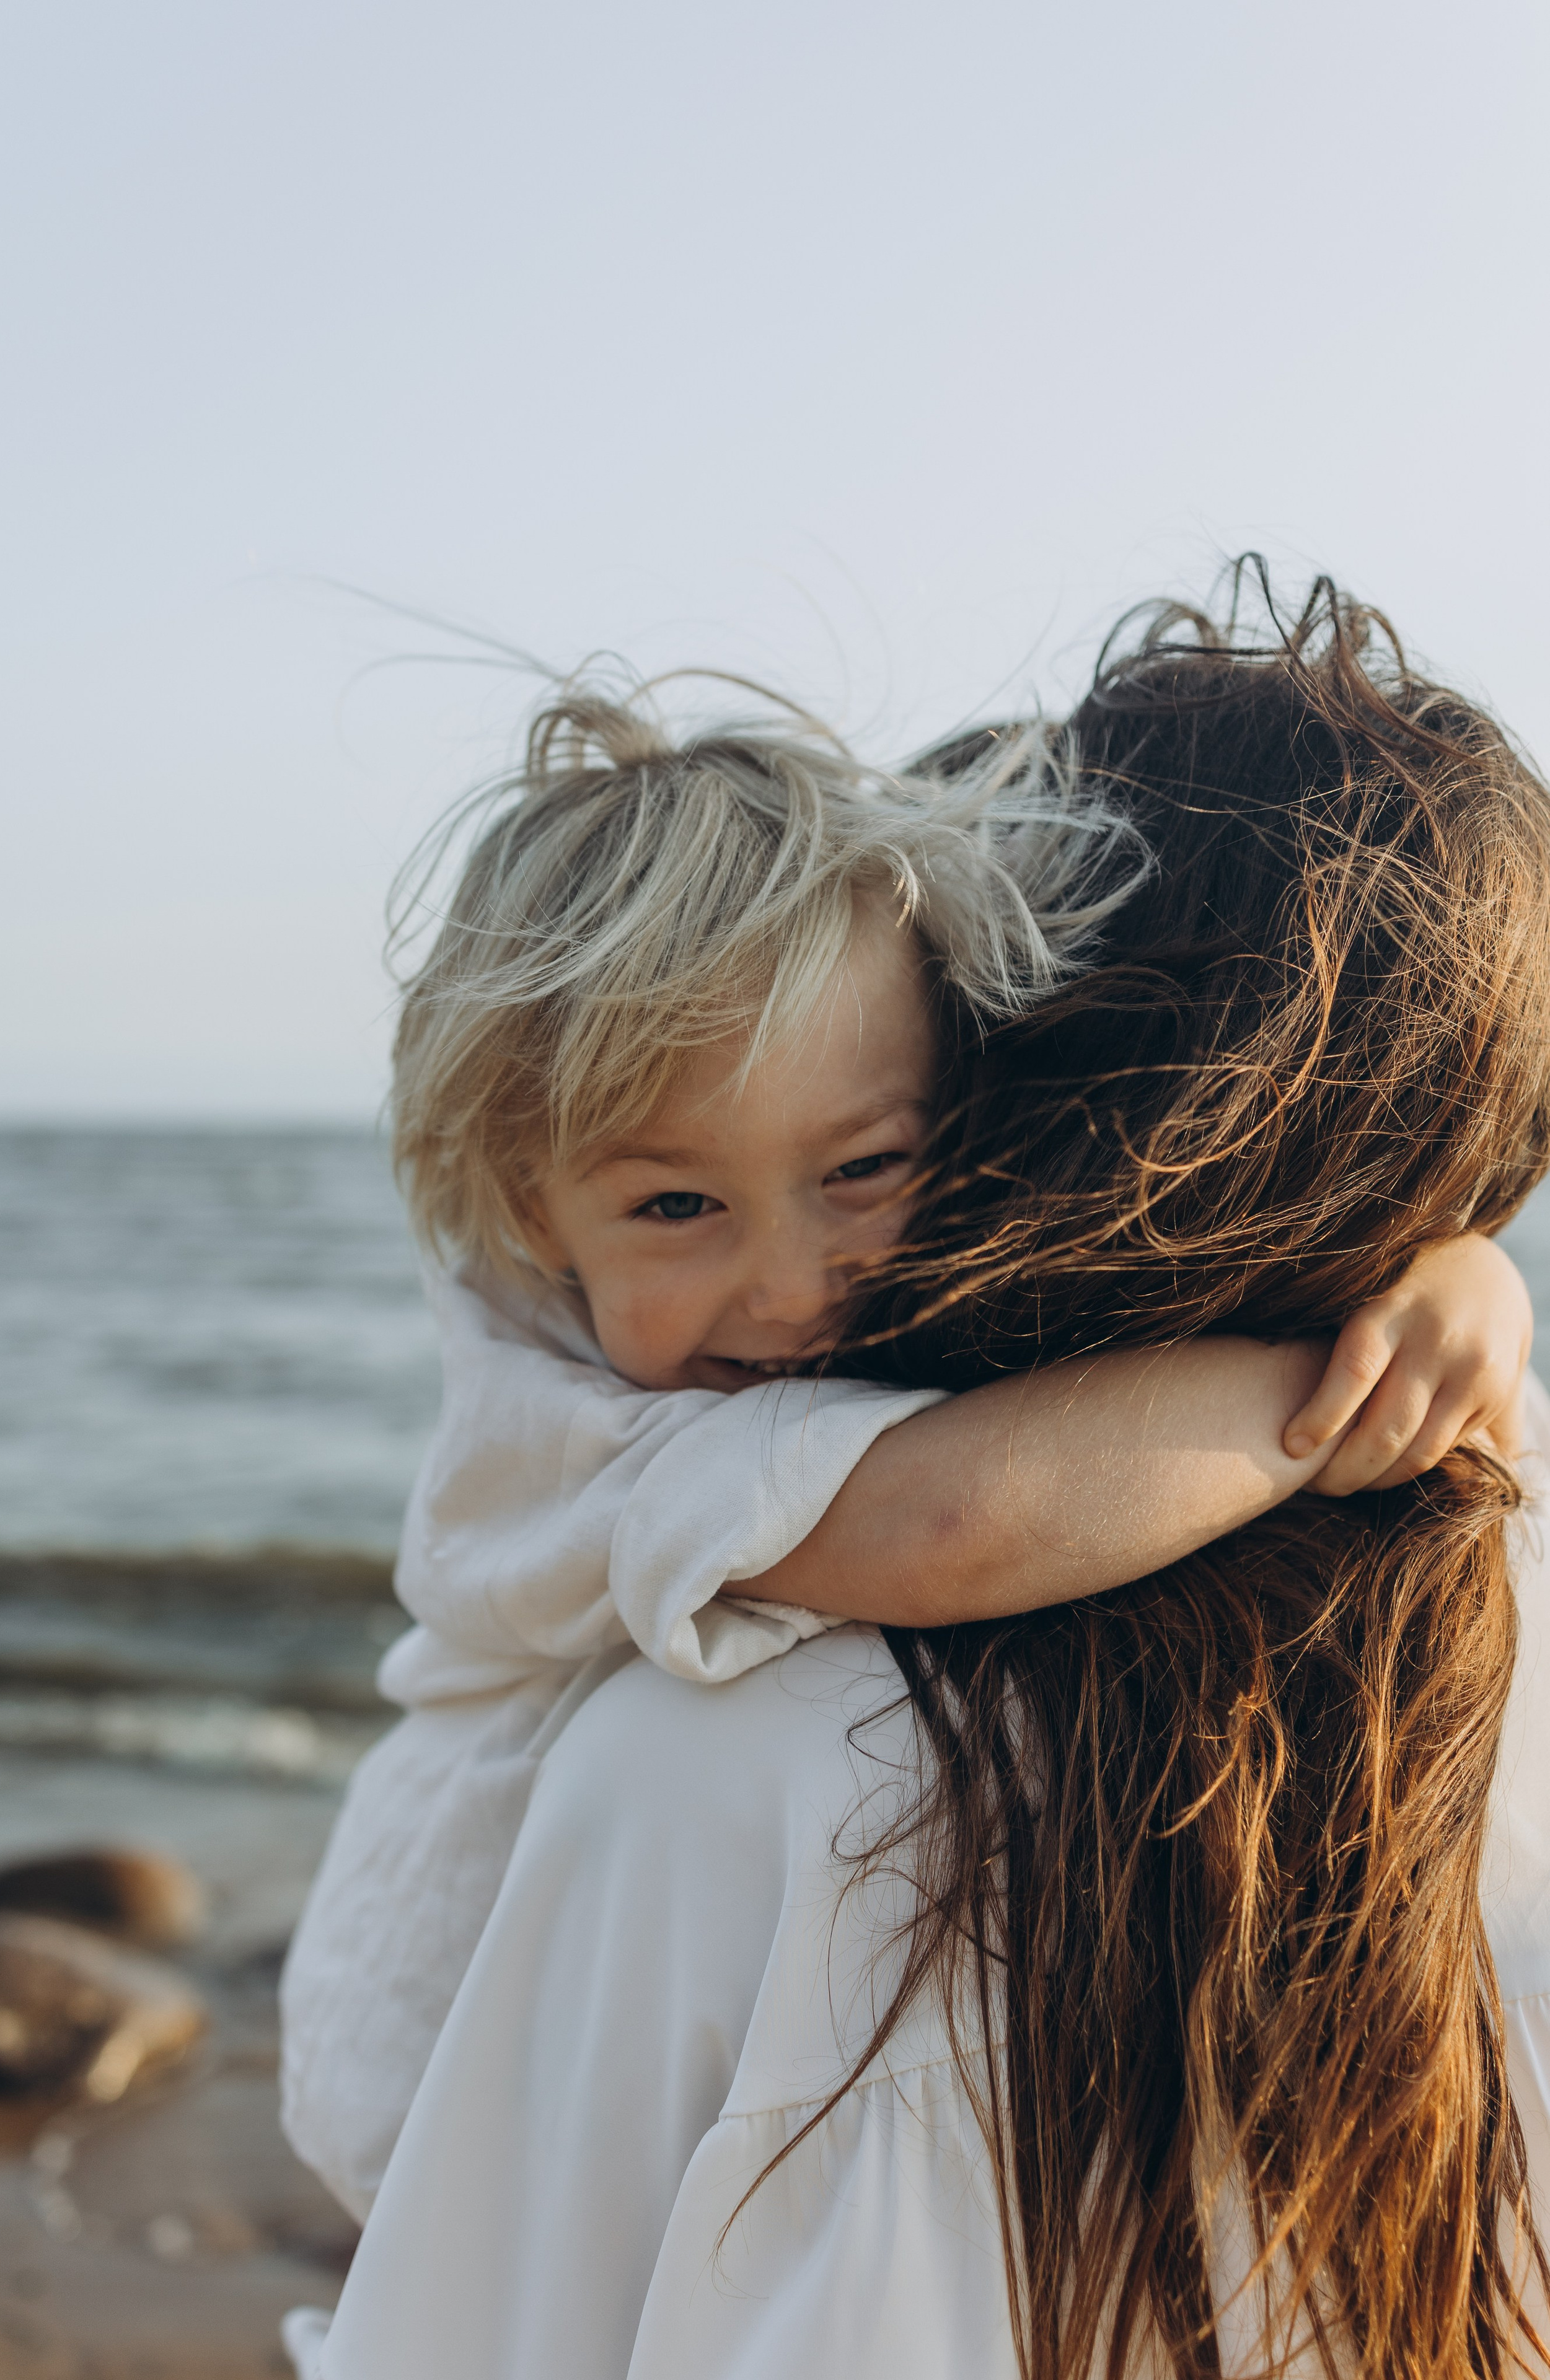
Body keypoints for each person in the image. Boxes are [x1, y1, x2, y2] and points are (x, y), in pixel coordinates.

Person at [295, 576, 1550, 2379]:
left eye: (868, 1168)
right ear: (521, 1215)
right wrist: (1329, 1373)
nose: (795, 1286)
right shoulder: (580, 1432)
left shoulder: (739, 1716)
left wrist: (1443, 1273)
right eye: (675, 1205)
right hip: (427, 2016)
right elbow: (952, 1515)